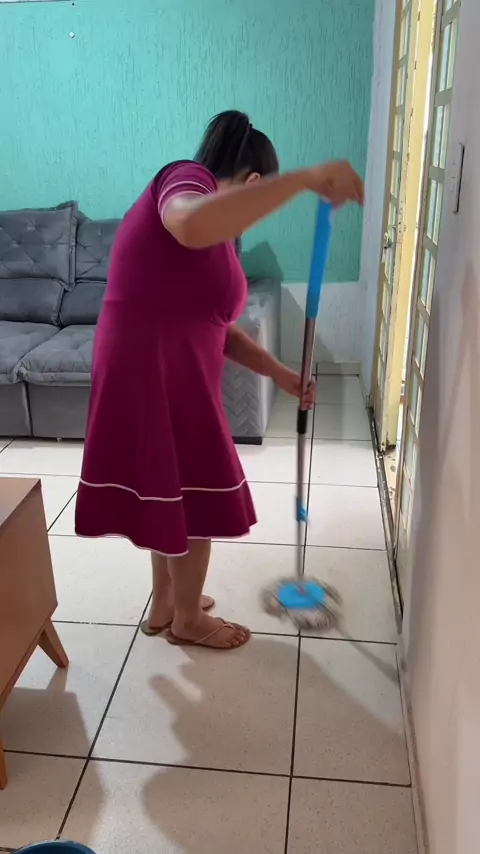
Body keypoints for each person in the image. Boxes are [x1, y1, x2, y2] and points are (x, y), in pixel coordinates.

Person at [75, 110, 363, 650]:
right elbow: (188, 221)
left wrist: (281, 374)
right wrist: (302, 179)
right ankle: (188, 620)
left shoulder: (217, 241)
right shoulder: (185, 179)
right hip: (153, 372)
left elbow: (217, 328)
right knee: (195, 498)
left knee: (168, 489)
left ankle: (167, 601)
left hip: (162, 369)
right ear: (253, 181)